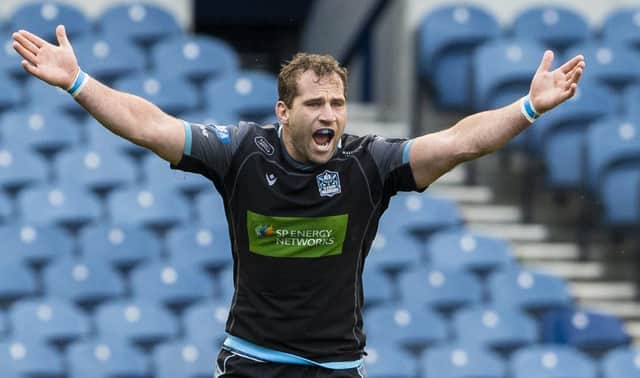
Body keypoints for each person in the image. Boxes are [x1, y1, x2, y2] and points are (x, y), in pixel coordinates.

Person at [13, 25, 584, 377]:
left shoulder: (369, 163)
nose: (330, 115)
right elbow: (152, 125)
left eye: (337, 103)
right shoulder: (240, 153)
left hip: (337, 367)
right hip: (251, 361)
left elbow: (457, 142)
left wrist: (528, 108)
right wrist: (78, 81)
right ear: (284, 111)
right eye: (314, 104)